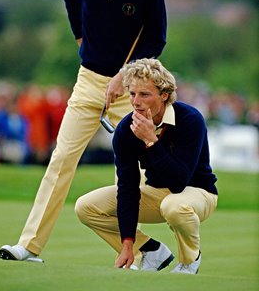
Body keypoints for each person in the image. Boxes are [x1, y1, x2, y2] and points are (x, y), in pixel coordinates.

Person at [0, 0, 167, 262]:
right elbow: (70, 0)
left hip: (130, 88)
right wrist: (80, 38)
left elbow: (156, 38)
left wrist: (127, 75)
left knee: (130, 173)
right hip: (88, 81)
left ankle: (146, 250)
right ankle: (29, 246)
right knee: (60, 160)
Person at [74, 58, 218, 274]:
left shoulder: (190, 119)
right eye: (132, 94)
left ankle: (190, 260)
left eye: (144, 94)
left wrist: (151, 141)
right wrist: (128, 244)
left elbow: (179, 182)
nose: (136, 102)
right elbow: (128, 188)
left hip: (198, 193)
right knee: (85, 207)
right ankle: (151, 251)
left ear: (164, 95)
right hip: (158, 195)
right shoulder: (125, 130)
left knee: (174, 205)